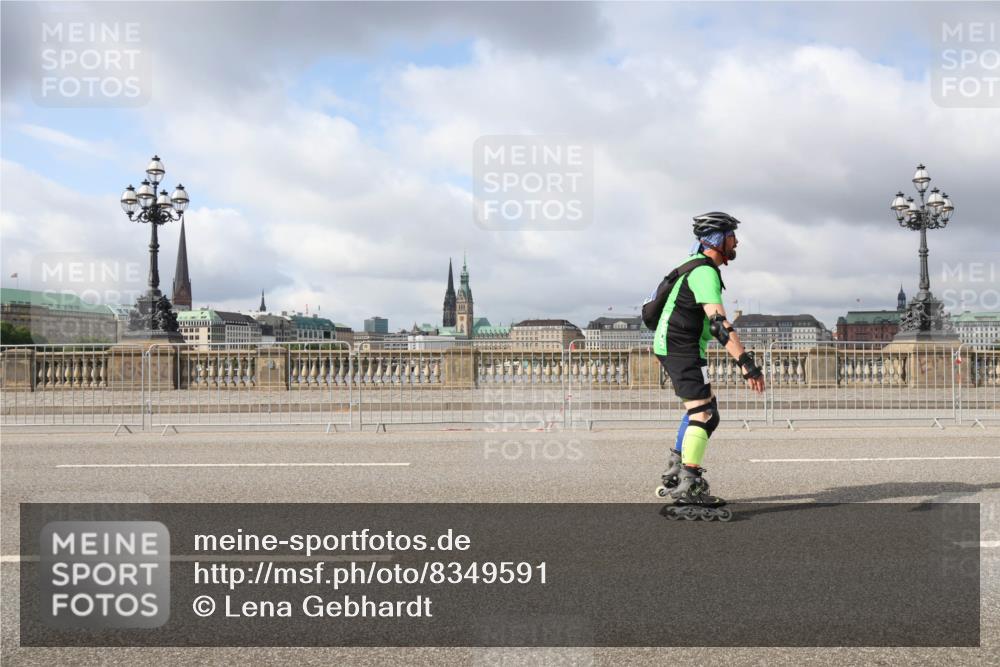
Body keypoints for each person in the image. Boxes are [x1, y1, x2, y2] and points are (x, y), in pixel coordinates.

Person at [652, 212, 765, 520]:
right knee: (702, 414)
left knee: (705, 411)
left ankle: (677, 469)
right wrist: (747, 364)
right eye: (732, 235)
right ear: (718, 239)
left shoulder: (698, 267)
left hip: (685, 347)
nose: (737, 241)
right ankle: (688, 483)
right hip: (679, 347)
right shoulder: (704, 272)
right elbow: (718, 324)